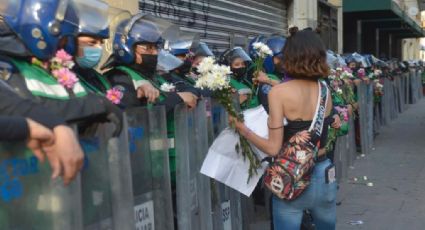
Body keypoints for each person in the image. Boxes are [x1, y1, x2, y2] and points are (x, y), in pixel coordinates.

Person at [230, 30, 337, 230]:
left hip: (291, 177)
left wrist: (241, 128)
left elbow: (273, 148)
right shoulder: (325, 90)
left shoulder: (279, 93)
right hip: (323, 173)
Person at [0, 0, 122, 135]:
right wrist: (96, 105)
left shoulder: (51, 67)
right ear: (40, 32)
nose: (64, 45)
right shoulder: (8, 66)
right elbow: (27, 109)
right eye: (64, 38)